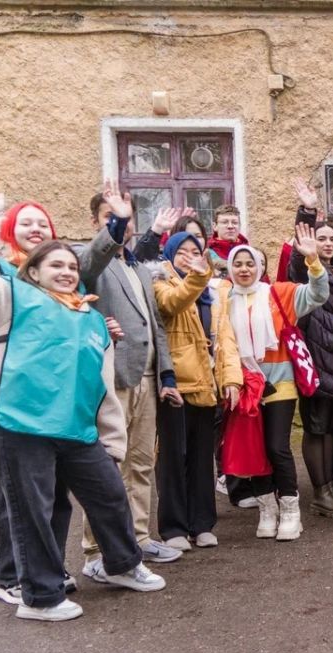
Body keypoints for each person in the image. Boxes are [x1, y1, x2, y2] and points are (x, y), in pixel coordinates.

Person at [0, 176, 165, 622]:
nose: (67, 271)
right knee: (32, 513)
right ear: (32, 272)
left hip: (78, 431)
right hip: (23, 427)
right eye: (55, 266)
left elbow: (103, 388)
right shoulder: (10, 299)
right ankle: (41, 597)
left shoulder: (91, 320)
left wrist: (111, 441)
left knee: (110, 496)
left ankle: (122, 565)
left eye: (71, 266)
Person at [78, 190, 185, 569]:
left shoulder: (138, 267)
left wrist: (166, 375)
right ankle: (96, 549)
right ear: (97, 222)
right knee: (107, 467)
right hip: (113, 380)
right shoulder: (87, 261)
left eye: (125, 218)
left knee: (140, 464)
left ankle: (139, 537)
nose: (121, 224)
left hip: (147, 379)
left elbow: (155, 326)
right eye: (110, 217)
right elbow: (93, 257)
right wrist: (117, 223)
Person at [216, 231, 329, 540]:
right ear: (230, 268)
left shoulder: (278, 293)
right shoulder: (222, 300)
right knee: (254, 449)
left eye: (249, 263)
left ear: (258, 266)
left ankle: (291, 509)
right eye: (237, 264)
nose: (243, 269)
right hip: (244, 387)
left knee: (276, 446)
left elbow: (318, 294)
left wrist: (313, 260)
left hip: (280, 383)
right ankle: (267, 509)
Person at [152, 231, 242, 548]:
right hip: (176, 383)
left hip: (207, 383)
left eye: (196, 251)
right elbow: (174, 303)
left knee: (203, 458)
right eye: (182, 252)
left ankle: (202, 523)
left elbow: (225, 338)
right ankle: (174, 528)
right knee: (174, 458)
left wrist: (231, 377)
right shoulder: (160, 284)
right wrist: (198, 275)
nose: (190, 256)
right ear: (170, 256)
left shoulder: (212, 295)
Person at [285, 215, 333, 518]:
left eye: (332, 239)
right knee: (316, 428)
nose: (328, 243)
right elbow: (296, 263)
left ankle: (329, 487)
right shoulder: (307, 271)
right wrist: (306, 211)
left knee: (330, 428)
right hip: (317, 361)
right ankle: (319, 493)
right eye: (322, 238)